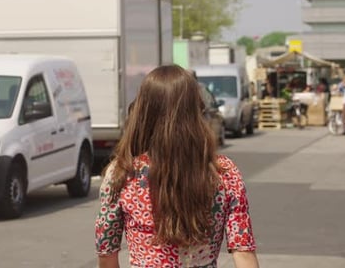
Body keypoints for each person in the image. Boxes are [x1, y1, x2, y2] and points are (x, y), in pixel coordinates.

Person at [95, 65, 259, 268]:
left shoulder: (122, 173)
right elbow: (243, 253)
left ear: (144, 111)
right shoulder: (223, 173)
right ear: (195, 111)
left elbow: (107, 256)